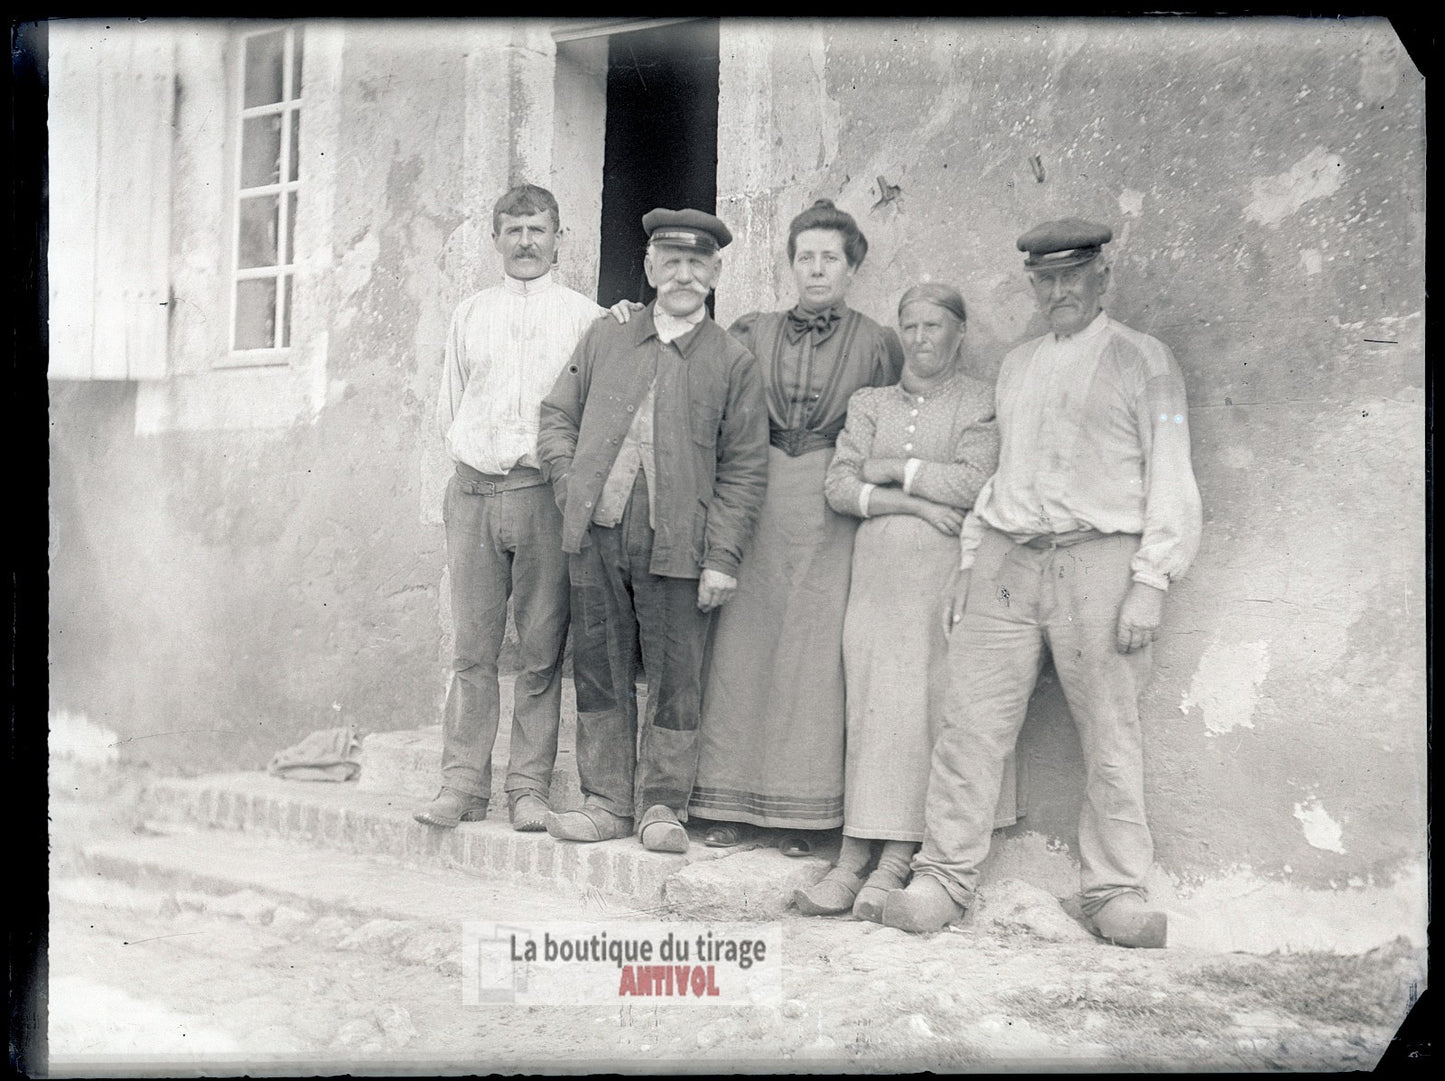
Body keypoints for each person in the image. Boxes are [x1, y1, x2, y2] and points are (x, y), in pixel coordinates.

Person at [881, 219, 1204, 947]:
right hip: (1006, 558)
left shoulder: (1144, 360)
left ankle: (1114, 889)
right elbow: (1000, 473)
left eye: (1072, 276)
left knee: (1110, 727)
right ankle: (944, 877)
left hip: (1101, 560)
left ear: (1100, 278)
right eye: (1045, 279)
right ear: (1032, 284)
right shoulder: (1018, 364)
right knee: (967, 720)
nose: (1058, 290)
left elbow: (1172, 469)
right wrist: (970, 561)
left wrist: (1151, 578)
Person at [535, 208, 769, 854]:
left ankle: (661, 805)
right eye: (671, 261)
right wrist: (569, 485)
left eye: (698, 264)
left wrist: (722, 555)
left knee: (675, 677)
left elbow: (746, 467)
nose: (684, 274)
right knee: (600, 668)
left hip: (680, 545)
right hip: (596, 536)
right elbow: (556, 416)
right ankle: (605, 800)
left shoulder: (732, 361)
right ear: (648, 267)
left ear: (716, 273)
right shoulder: (605, 338)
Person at [686, 199, 904, 855]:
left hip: (828, 507)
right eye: (804, 256)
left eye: (828, 258)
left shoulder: (876, 344)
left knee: (812, 658)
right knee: (740, 649)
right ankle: (726, 803)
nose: (815, 269)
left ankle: (803, 815)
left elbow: (886, 424)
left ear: (851, 266)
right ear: (790, 263)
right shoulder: (751, 331)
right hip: (757, 498)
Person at [793, 282, 1001, 918]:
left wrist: (896, 470)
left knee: (917, 711)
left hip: (937, 577)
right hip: (875, 577)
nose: (920, 338)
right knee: (871, 707)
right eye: (909, 326)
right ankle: (854, 852)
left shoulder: (978, 402)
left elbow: (974, 482)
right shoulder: (871, 402)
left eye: (934, 326)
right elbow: (838, 484)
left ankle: (896, 859)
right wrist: (911, 500)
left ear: (958, 334)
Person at [416, 184, 605, 833]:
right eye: (513, 229)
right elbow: (450, 403)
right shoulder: (470, 313)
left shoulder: (586, 318)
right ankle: (462, 783)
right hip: (472, 493)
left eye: (538, 229)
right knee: (472, 649)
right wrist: (470, 466)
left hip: (541, 499)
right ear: (495, 238)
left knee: (540, 650)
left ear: (559, 238)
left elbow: (594, 416)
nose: (526, 242)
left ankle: (527, 788)